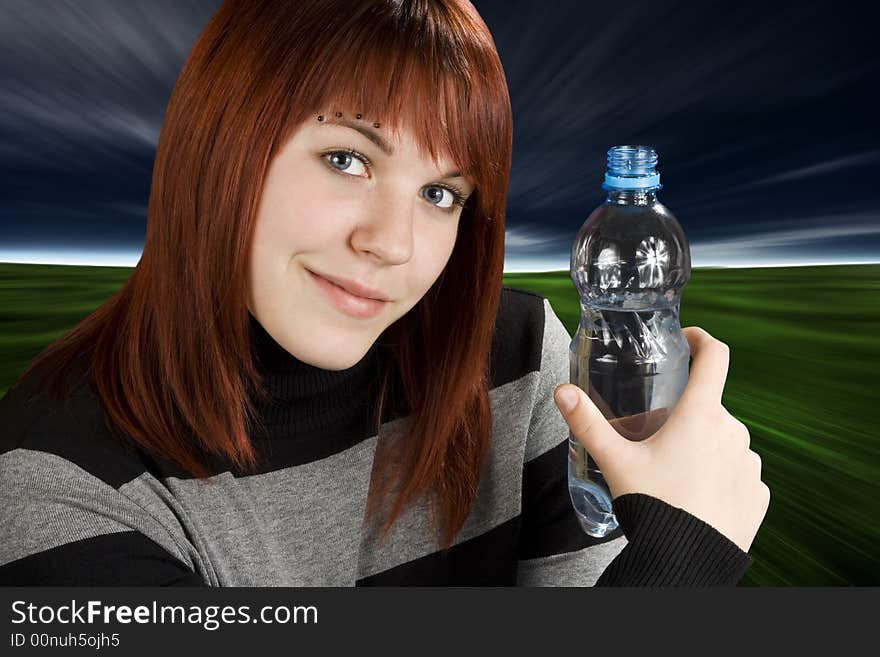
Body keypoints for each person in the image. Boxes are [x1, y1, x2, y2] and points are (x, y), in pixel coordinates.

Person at [0, 0, 768, 586]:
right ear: (217, 143)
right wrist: (681, 565)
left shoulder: (520, 359)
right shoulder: (53, 490)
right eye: (346, 157)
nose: (392, 243)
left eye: (440, 193)